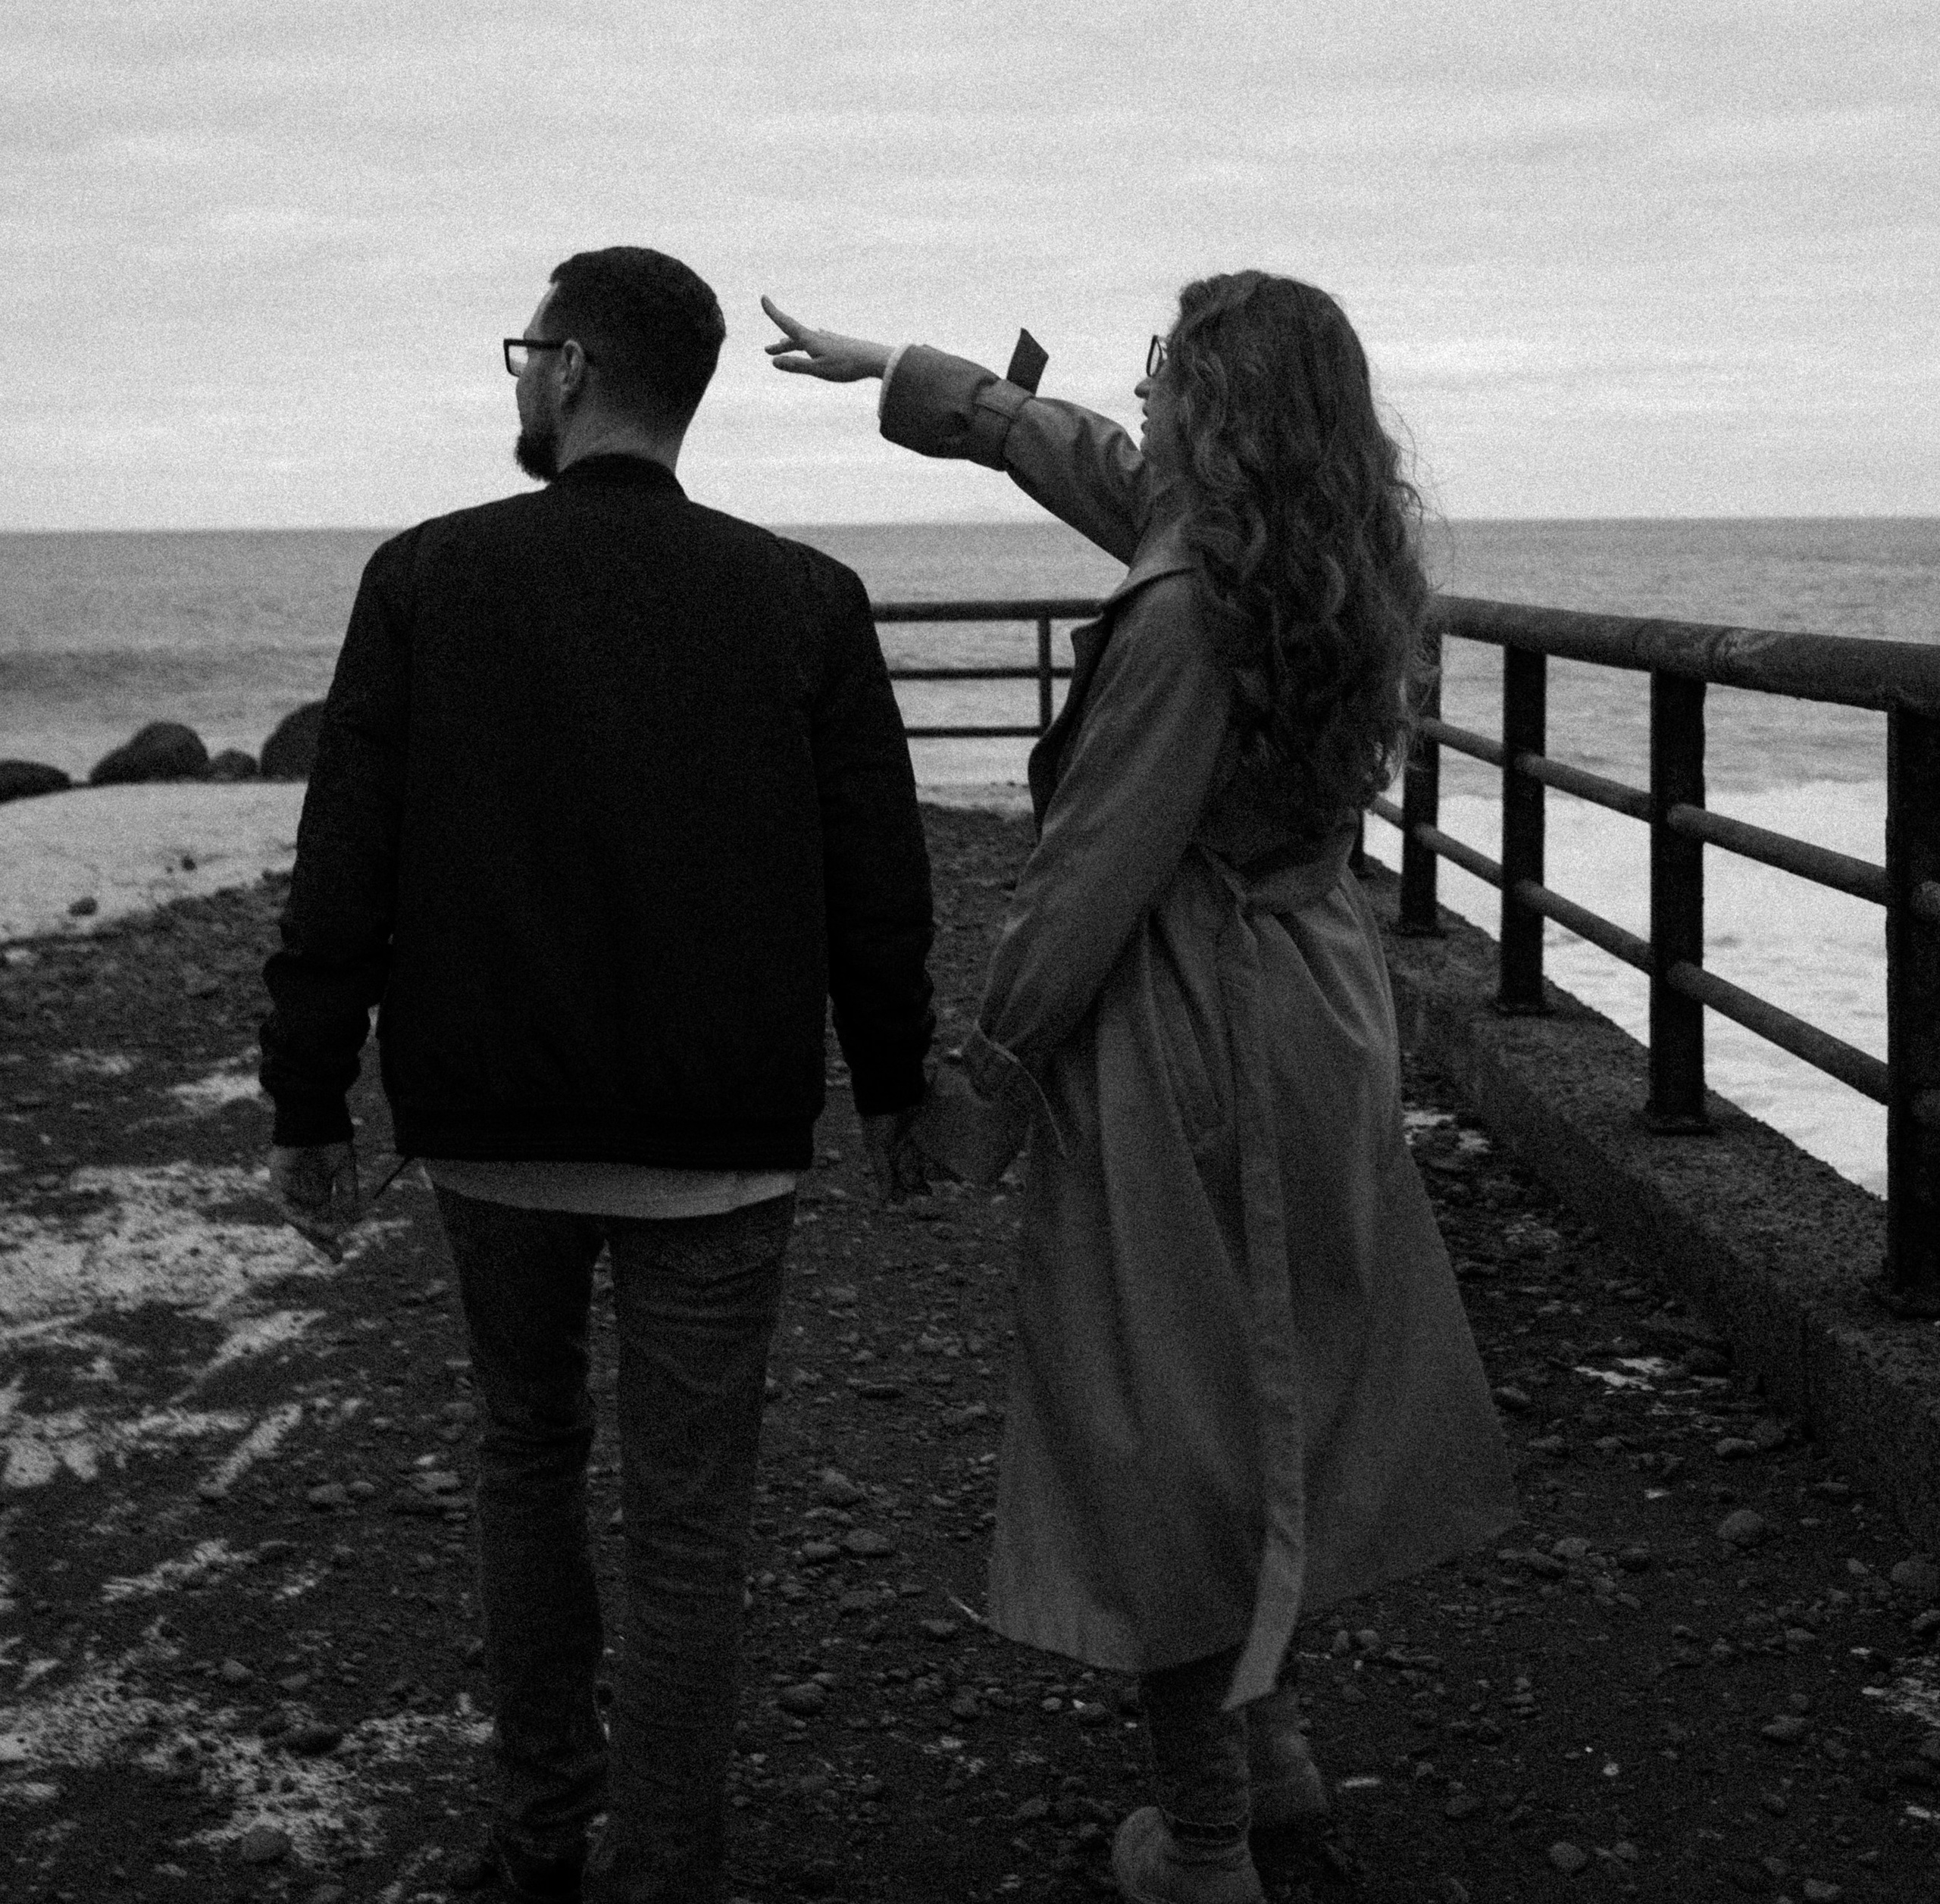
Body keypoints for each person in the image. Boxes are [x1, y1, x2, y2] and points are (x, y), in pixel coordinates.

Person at [763, 277, 1517, 1904]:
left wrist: (990, 1074)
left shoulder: (1182, 612)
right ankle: (1274, 1744)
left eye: (1166, 367)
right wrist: (909, 374)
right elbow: (1094, 463)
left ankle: (1206, 1842)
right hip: (1317, 1006)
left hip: (1195, 1026)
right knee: (1280, 1392)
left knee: (1162, 1429)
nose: (1141, 386)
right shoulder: (1319, 560)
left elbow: (1090, 868)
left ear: (1216, 410)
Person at [259, 247, 936, 1904]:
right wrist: (898, 1080)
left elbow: (344, 854)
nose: (517, 381)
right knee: (691, 1522)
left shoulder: (425, 578)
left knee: (524, 1456)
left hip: (494, 1129)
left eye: (524, 353)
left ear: (565, 371)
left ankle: (537, 1834)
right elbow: (876, 871)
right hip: (720, 1135)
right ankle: (668, 1869)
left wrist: (307, 1094)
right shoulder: (802, 599)